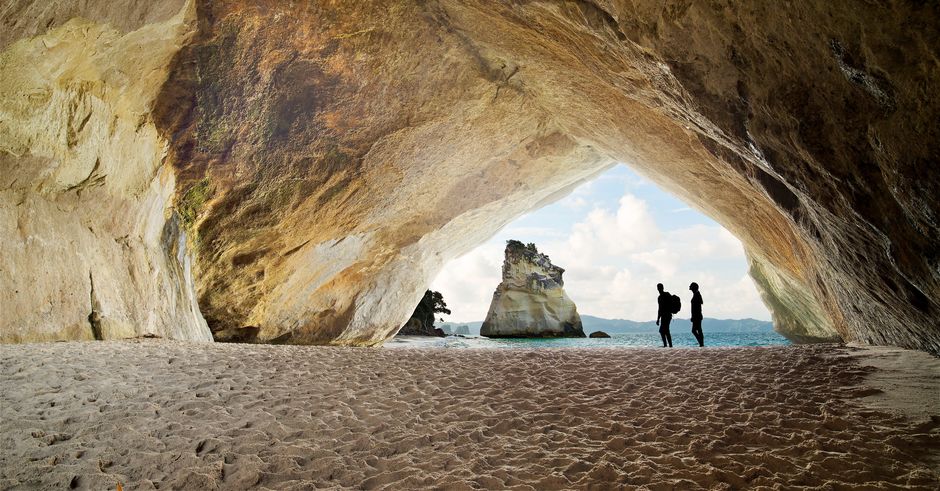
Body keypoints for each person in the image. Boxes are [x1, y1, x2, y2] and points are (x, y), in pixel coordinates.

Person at [655, 283, 673, 347]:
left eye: (659, 287)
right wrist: (658, 319)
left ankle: (668, 345)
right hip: (665, 316)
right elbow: (659, 309)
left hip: (667, 315)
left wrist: (658, 319)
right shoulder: (660, 297)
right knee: (664, 331)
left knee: (664, 331)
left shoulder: (664, 295)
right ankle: (667, 345)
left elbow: (660, 309)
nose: (659, 289)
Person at [689, 282, 704, 347]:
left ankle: (701, 343)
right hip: (697, 315)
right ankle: (701, 343)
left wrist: (693, 316)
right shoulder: (696, 294)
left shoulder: (697, 295)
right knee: (697, 329)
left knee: (695, 330)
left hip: (697, 316)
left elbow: (697, 307)